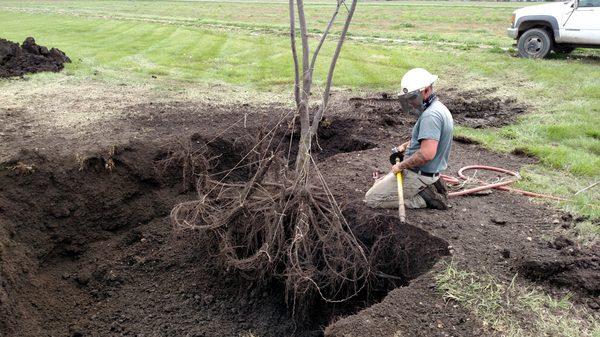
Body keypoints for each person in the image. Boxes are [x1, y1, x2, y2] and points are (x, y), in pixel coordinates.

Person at [364, 68, 453, 210]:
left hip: (419, 175)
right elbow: (427, 140)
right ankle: (428, 186)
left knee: (372, 199)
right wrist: (405, 146)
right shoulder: (438, 108)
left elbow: (426, 154)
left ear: (426, 90)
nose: (410, 103)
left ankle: (423, 198)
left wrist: (401, 166)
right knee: (380, 183)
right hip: (425, 172)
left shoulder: (431, 116)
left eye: (413, 97)